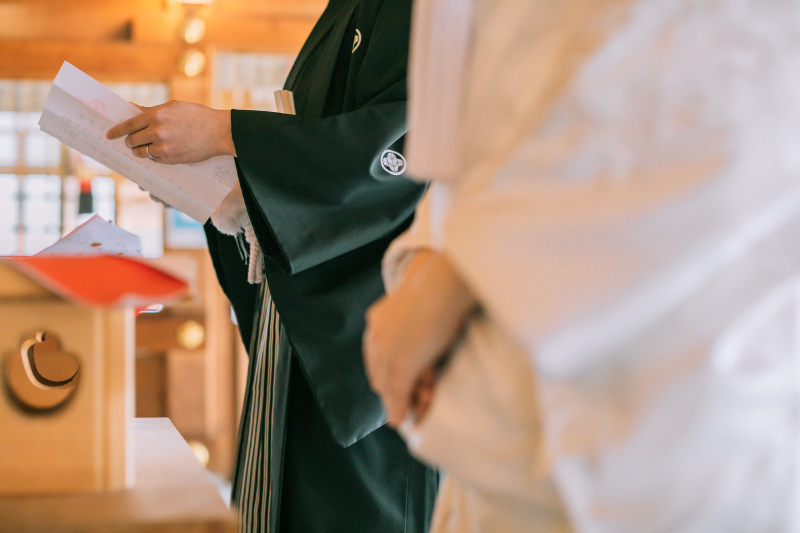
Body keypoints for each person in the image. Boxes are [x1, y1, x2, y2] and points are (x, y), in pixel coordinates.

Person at [363, 0, 800, 531]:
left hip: (663, 397)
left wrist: (460, 273)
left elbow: (735, 53)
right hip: (485, 417)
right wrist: (431, 254)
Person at [107, 1, 438, 532]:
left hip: (364, 333)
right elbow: (305, 167)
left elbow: (403, 149)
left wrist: (225, 133)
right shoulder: (345, 11)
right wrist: (223, 192)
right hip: (297, 328)